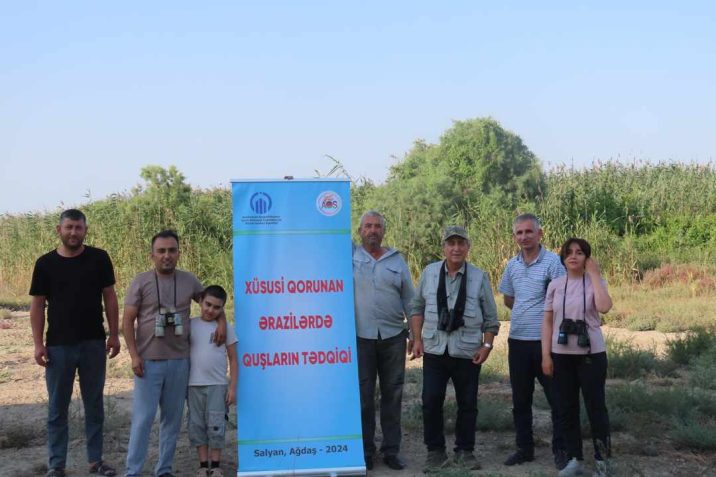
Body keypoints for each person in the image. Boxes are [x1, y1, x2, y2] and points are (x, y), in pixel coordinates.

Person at [123, 230, 226, 477]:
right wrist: (134, 356)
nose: (166, 256)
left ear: (179, 253)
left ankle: (164, 470)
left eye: (172, 250)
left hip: (180, 362)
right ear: (152, 255)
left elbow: (211, 303)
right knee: (143, 420)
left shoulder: (189, 281)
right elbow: (127, 322)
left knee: (172, 421)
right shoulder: (140, 282)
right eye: (161, 251)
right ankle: (133, 471)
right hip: (148, 362)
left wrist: (221, 321)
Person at [29, 208, 120, 477]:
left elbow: (110, 298)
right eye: (68, 227)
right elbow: (37, 306)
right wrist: (37, 344)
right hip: (58, 346)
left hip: (93, 343)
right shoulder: (45, 264)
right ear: (59, 230)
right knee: (57, 408)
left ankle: (96, 461)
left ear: (85, 231)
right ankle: (56, 465)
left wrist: (114, 334)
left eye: (78, 228)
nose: (73, 232)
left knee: (94, 405)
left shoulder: (99, 258)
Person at [410, 226, 499, 472]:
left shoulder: (479, 277)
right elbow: (416, 307)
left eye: (461, 243)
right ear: (444, 248)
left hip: (467, 351)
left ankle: (465, 451)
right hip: (435, 350)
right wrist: (417, 339)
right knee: (430, 400)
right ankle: (435, 452)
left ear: (468, 247)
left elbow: (491, 319)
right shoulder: (429, 273)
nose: (456, 248)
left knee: (468, 403)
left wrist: (487, 346)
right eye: (451, 243)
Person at [498, 213, 567, 469]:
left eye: (529, 232)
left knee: (557, 399)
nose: (524, 237)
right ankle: (524, 448)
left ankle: (561, 449)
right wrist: (528, 309)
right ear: (515, 236)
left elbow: (562, 299)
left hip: (545, 343)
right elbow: (508, 299)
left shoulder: (553, 263)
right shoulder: (512, 265)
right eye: (519, 233)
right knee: (521, 400)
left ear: (540, 234)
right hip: (517, 341)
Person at [542, 238, 613, 477]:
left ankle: (603, 460)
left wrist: (594, 274)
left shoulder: (596, 282)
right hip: (561, 355)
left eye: (580, 253)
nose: (573, 256)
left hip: (591, 354)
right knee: (566, 408)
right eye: (569, 252)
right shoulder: (555, 285)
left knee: (595, 408)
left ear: (587, 258)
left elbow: (604, 307)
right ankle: (574, 458)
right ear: (562, 257)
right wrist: (546, 356)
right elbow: (548, 323)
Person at [353, 210, 415, 471]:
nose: (373, 230)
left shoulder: (397, 260)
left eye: (377, 226)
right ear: (359, 232)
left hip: (393, 337)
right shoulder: (349, 256)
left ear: (384, 231)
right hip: (360, 338)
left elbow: (410, 299)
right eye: (368, 226)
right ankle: (365, 451)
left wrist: (416, 334)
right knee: (364, 397)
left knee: (392, 395)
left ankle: (391, 450)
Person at [188, 285, 238, 477]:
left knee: (216, 423)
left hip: (218, 385)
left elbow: (233, 358)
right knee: (196, 424)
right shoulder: (190, 324)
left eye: (217, 307)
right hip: (193, 385)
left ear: (222, 309)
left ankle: (215, 464)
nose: (210, 310)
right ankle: (203, 465)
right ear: (200, 301)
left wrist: (232, 387)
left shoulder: (225, 328)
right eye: (208, 304)